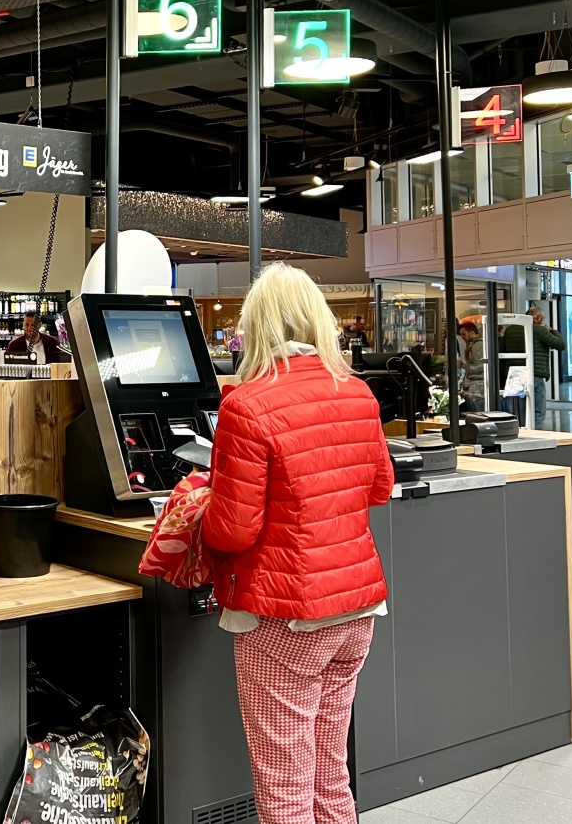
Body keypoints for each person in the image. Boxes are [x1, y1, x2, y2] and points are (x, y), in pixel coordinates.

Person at [202, 264, 393, 824]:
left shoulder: (246, 405)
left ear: (255, 325)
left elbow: (233, 529)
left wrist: (199, 508)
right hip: (357, 609)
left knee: (284, 785)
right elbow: (379, 486)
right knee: (330, 774)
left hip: (285, 617)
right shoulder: (357, 393)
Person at [529, 305, 566, 429]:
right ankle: (537, 437)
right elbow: (560, 345)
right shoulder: (539, 330)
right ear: (538, 318)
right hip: (536, 373)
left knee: (522, 410)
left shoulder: (514, 328)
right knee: (538, 411)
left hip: (517, 373)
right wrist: (552, 330)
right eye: (542, 318)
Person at [458, 322, 485, 412]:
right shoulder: (474, 345)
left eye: (464, 334)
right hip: (476, 383)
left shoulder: (478, 345)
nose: (462, 337)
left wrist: (465, 366)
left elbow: (480, 365)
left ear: (472, 332)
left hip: (478, 384)